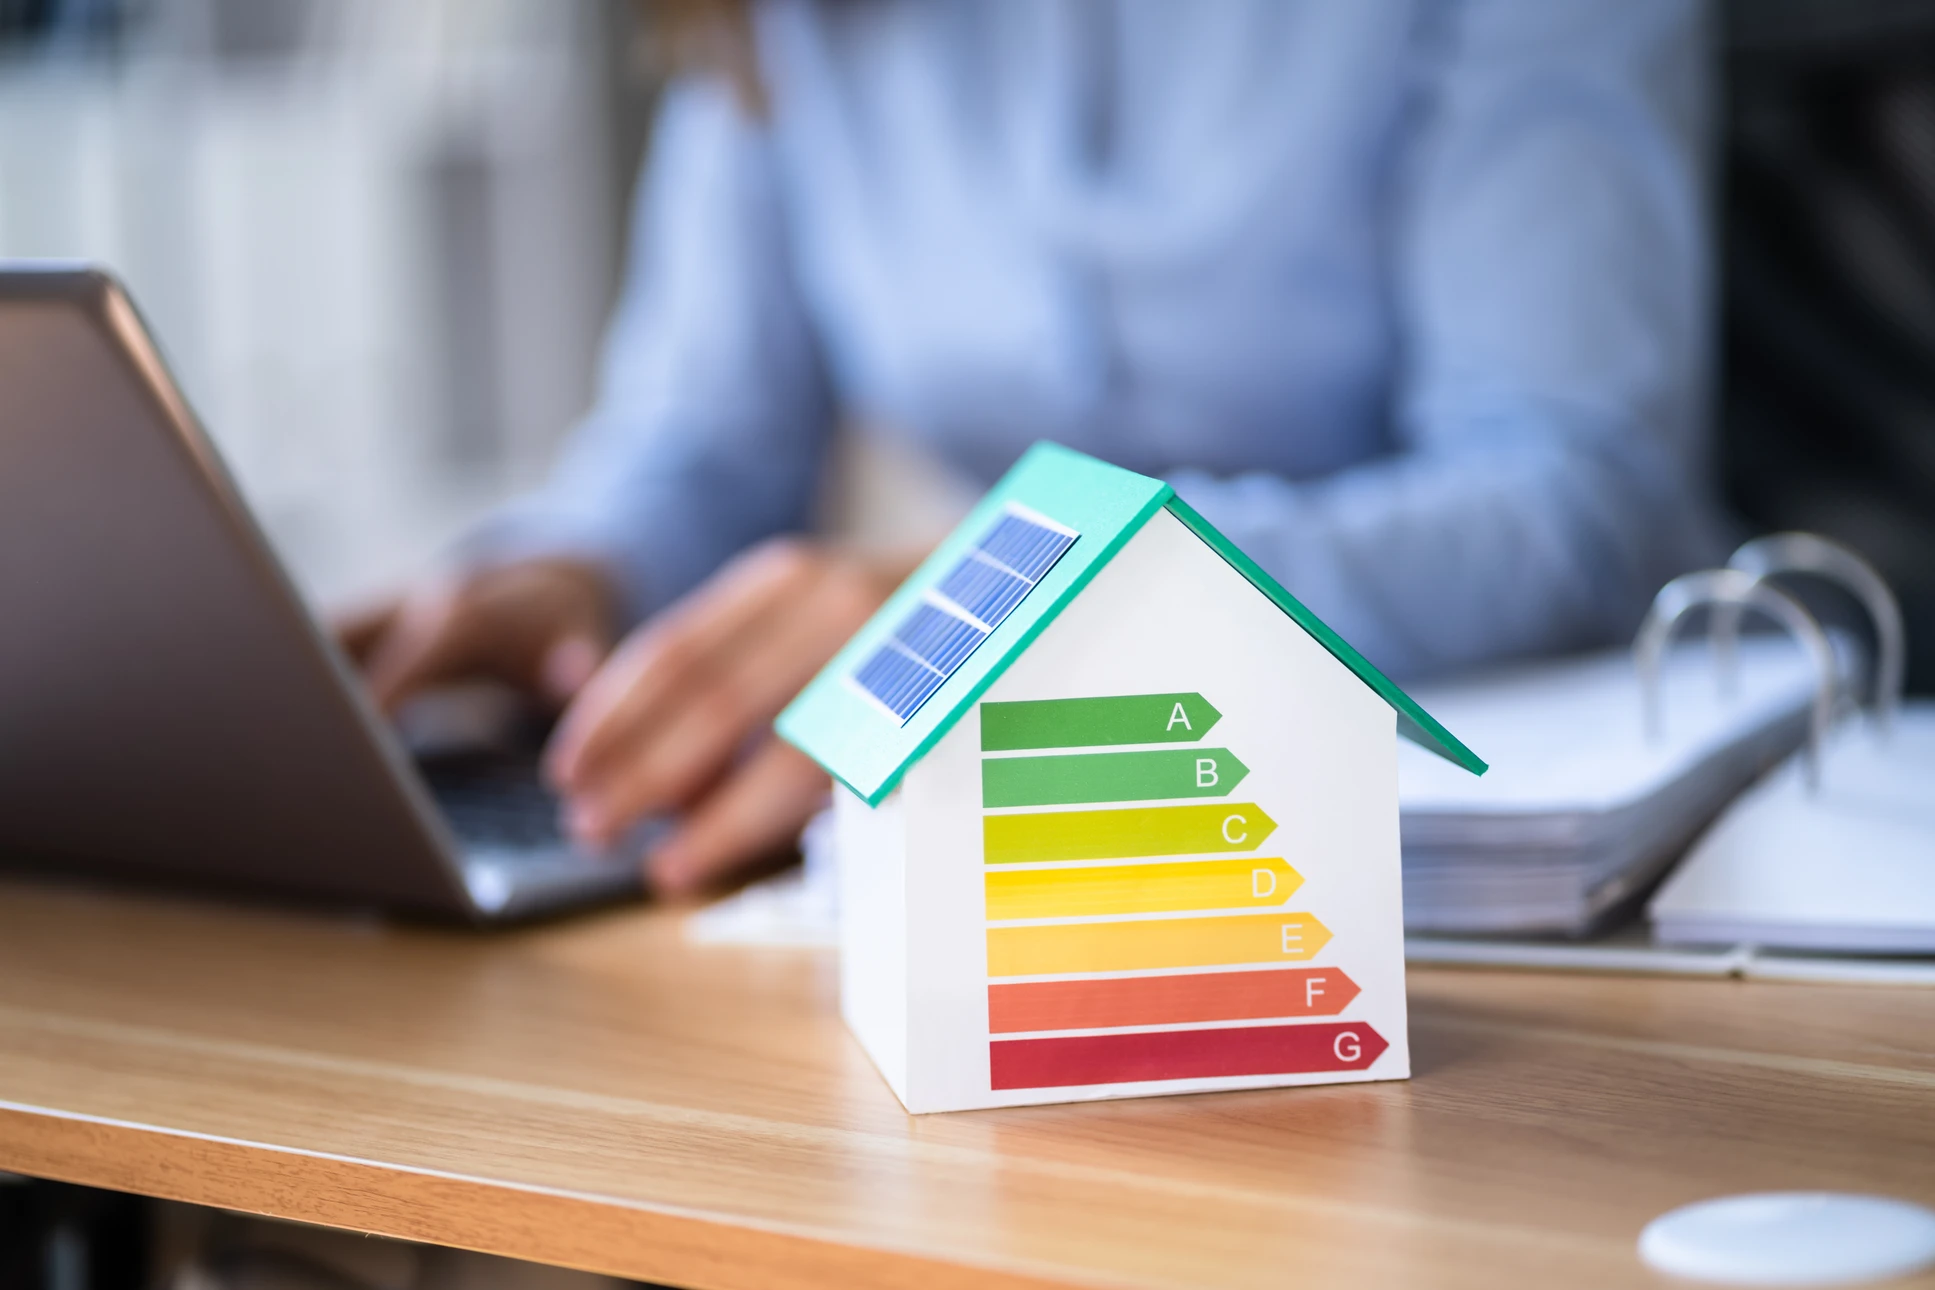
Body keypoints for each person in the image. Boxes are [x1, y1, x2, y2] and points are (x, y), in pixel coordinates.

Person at [339, 0, 1717, 898]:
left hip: (1505, 844)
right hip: (1028, 848)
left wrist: (1013, 590)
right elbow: (705, 443)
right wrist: (573, 579)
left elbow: (1568, 498)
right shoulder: (783, 29)